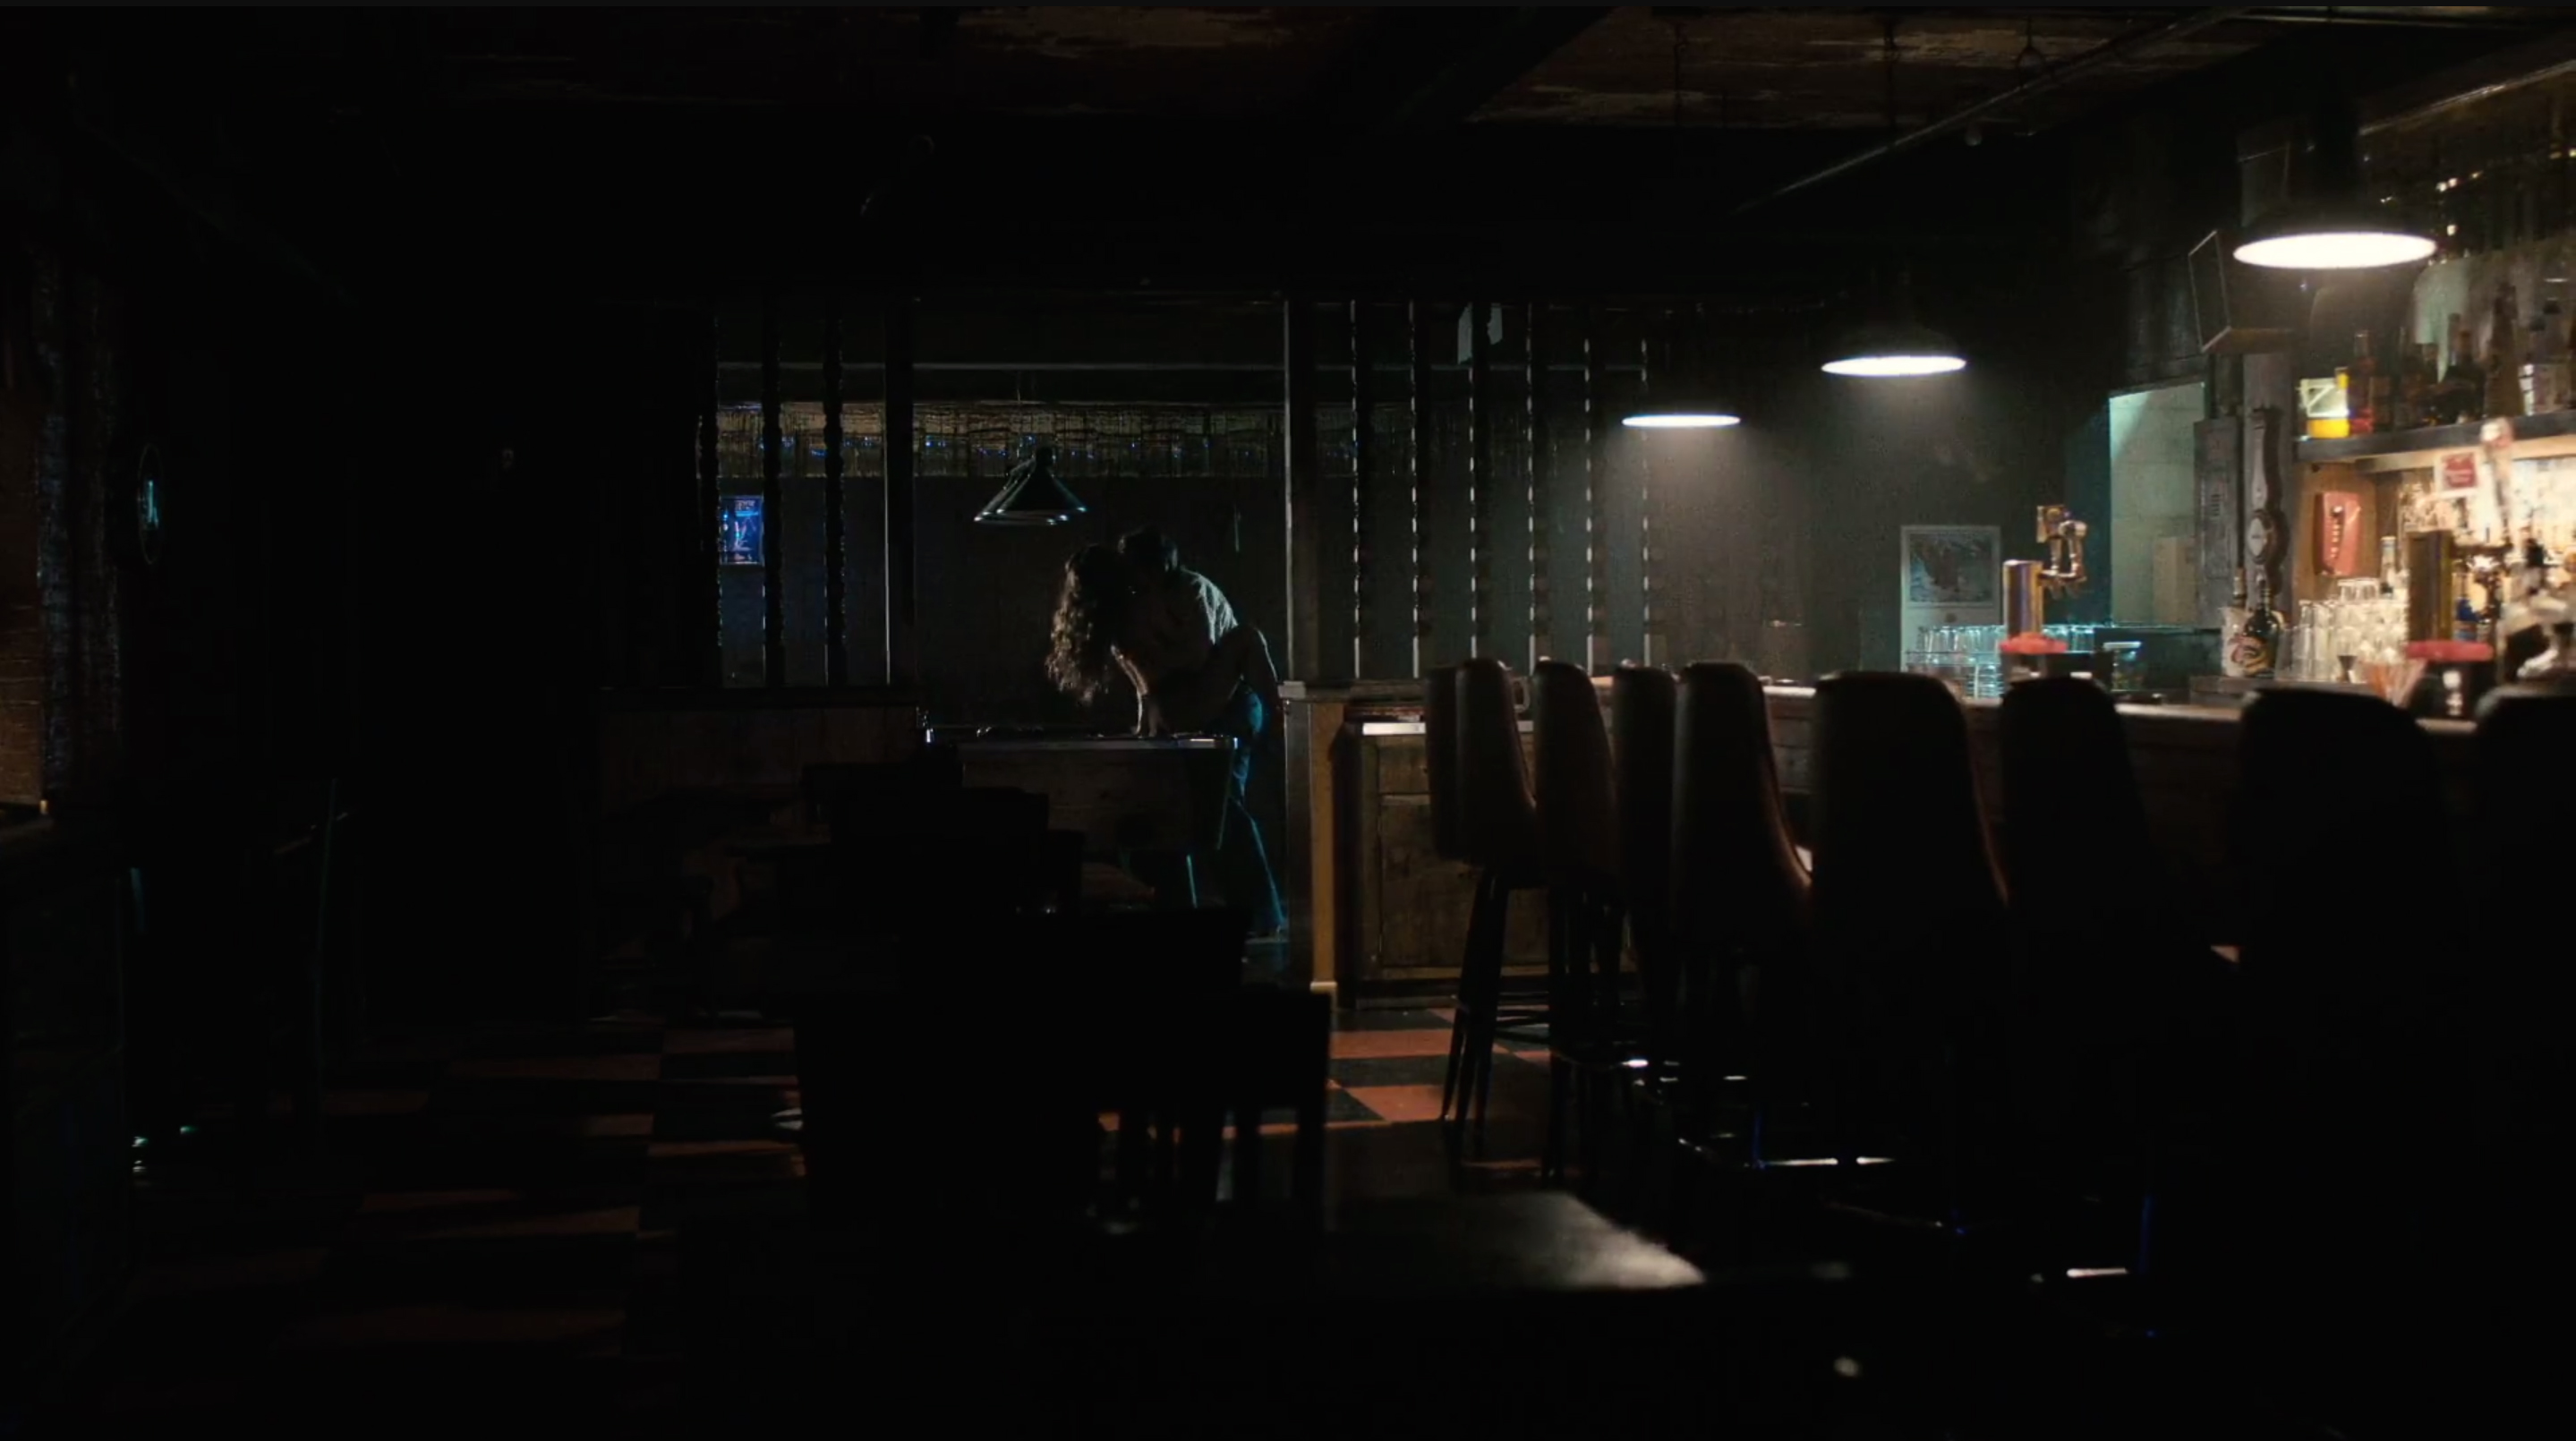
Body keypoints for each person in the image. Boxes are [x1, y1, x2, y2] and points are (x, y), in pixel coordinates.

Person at [1045, 534, 1285, 937]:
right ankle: (1188, 912)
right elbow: (1146, 685)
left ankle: (1260, 916)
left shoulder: (1187, 592)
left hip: (1227, 703)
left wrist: (1169, 704)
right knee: (1176, 809)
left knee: (1222, 807)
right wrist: (1149, 729)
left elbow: (1198, 658)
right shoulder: (1125, 616)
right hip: (1194, 708)